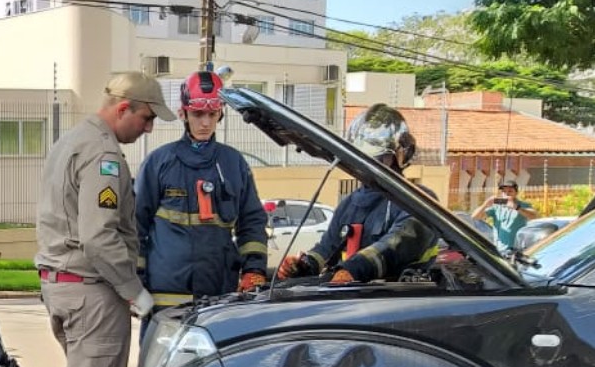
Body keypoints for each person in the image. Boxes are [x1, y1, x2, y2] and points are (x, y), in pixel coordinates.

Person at [35, 71, 175, 367]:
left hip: (63, 285)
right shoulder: (104, 155)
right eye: (147, 117)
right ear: (124, 109)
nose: (149, 129)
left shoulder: (70, 141)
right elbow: (98, 237)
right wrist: (135, 291)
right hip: (91, 291)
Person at [135, 69, 269, 320]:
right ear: (183, 113)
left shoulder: (233, 163)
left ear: (221, 114)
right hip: (167, 298)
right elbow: (135, 226)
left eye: (212, 113)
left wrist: (254, 269)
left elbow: (252, 221)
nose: (205, 122)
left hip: (220, 294)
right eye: (197, 114)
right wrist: (135, 282)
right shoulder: (159, 163)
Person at [276, 103, 438, 284]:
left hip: (402, 301)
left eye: (379, 158)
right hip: (355, 299)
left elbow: (394, 247)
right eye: (362, 159)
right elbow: (326, 249)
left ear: (400, 156)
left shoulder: (419, 203)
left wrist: (353, 270)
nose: (367, 166)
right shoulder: (349, 205)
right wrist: (304, 265)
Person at [471, 179, 537, 252]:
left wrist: (516, 207)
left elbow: (533, 216)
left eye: (510, 191)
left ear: (516, 193)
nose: (507, 193)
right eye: (504, 191)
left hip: (516, 250)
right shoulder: (497, 206)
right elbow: (475, 217)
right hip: (498, 249)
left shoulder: (522, 205)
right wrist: (485, 204)